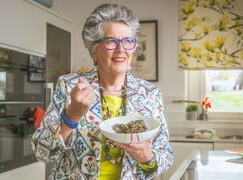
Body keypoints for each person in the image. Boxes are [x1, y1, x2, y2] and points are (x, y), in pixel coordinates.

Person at [32, 3, 173, 179]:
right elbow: (41, 152)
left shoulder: (150, 94)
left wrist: (145, 156)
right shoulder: (69, 86)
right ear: (94, 49)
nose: (121, 50)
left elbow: (165, 156)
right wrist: (71, 117)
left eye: (128, 41)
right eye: (111, 42)